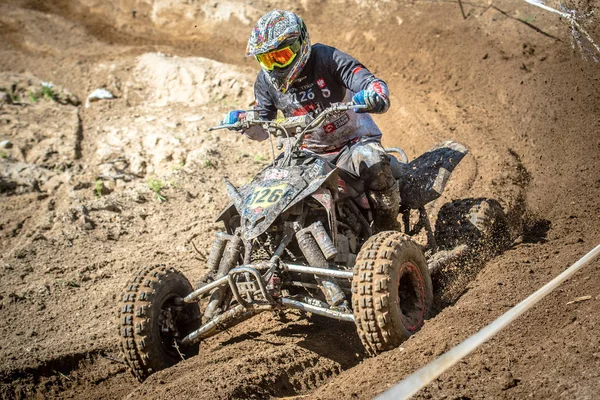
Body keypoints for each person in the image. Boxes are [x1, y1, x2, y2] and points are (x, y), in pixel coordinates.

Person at [223, 9, 400, 232]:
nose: (276, 67)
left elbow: (367, 80)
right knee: (265, 182)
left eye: (281, 56)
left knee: (372, 160)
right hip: (305, 154)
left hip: (352, 143)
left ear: (300, 45)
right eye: (267, 60)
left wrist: (375, 93)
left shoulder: (327, 58)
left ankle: (388, 228)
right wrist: (244, 123)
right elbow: (263, 128)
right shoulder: (265, 82)